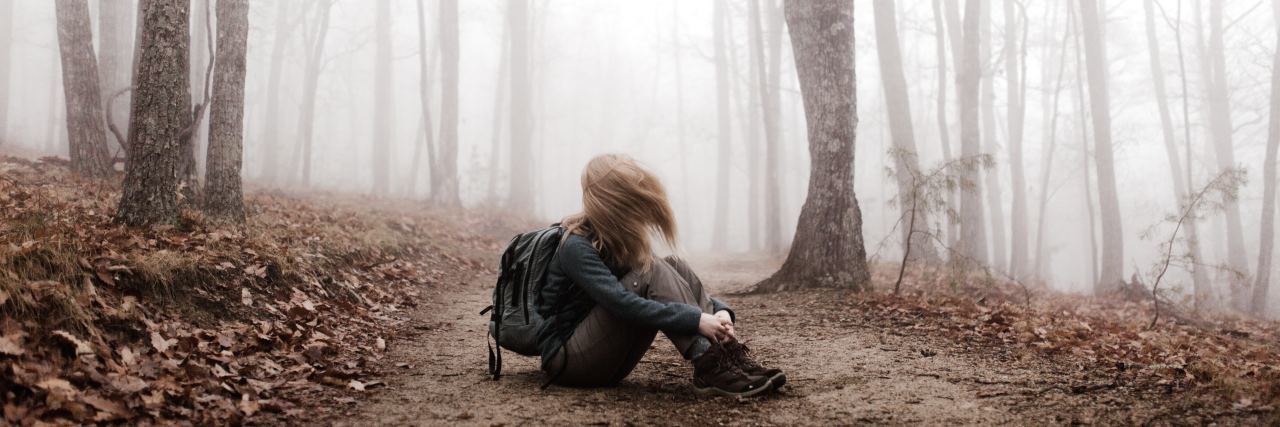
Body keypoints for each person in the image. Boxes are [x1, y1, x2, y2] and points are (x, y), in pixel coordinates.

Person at [536, 154, 784, 397]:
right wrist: (696, 320)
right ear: (609, 199)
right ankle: (709, 366)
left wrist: (721, 312)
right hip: (568, 361)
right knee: (652, 268)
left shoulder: (619, 239)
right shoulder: (575, 245)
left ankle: (728, 357)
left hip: (605, 360)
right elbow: (621, 303)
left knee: (674, 264)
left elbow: (672, 285)